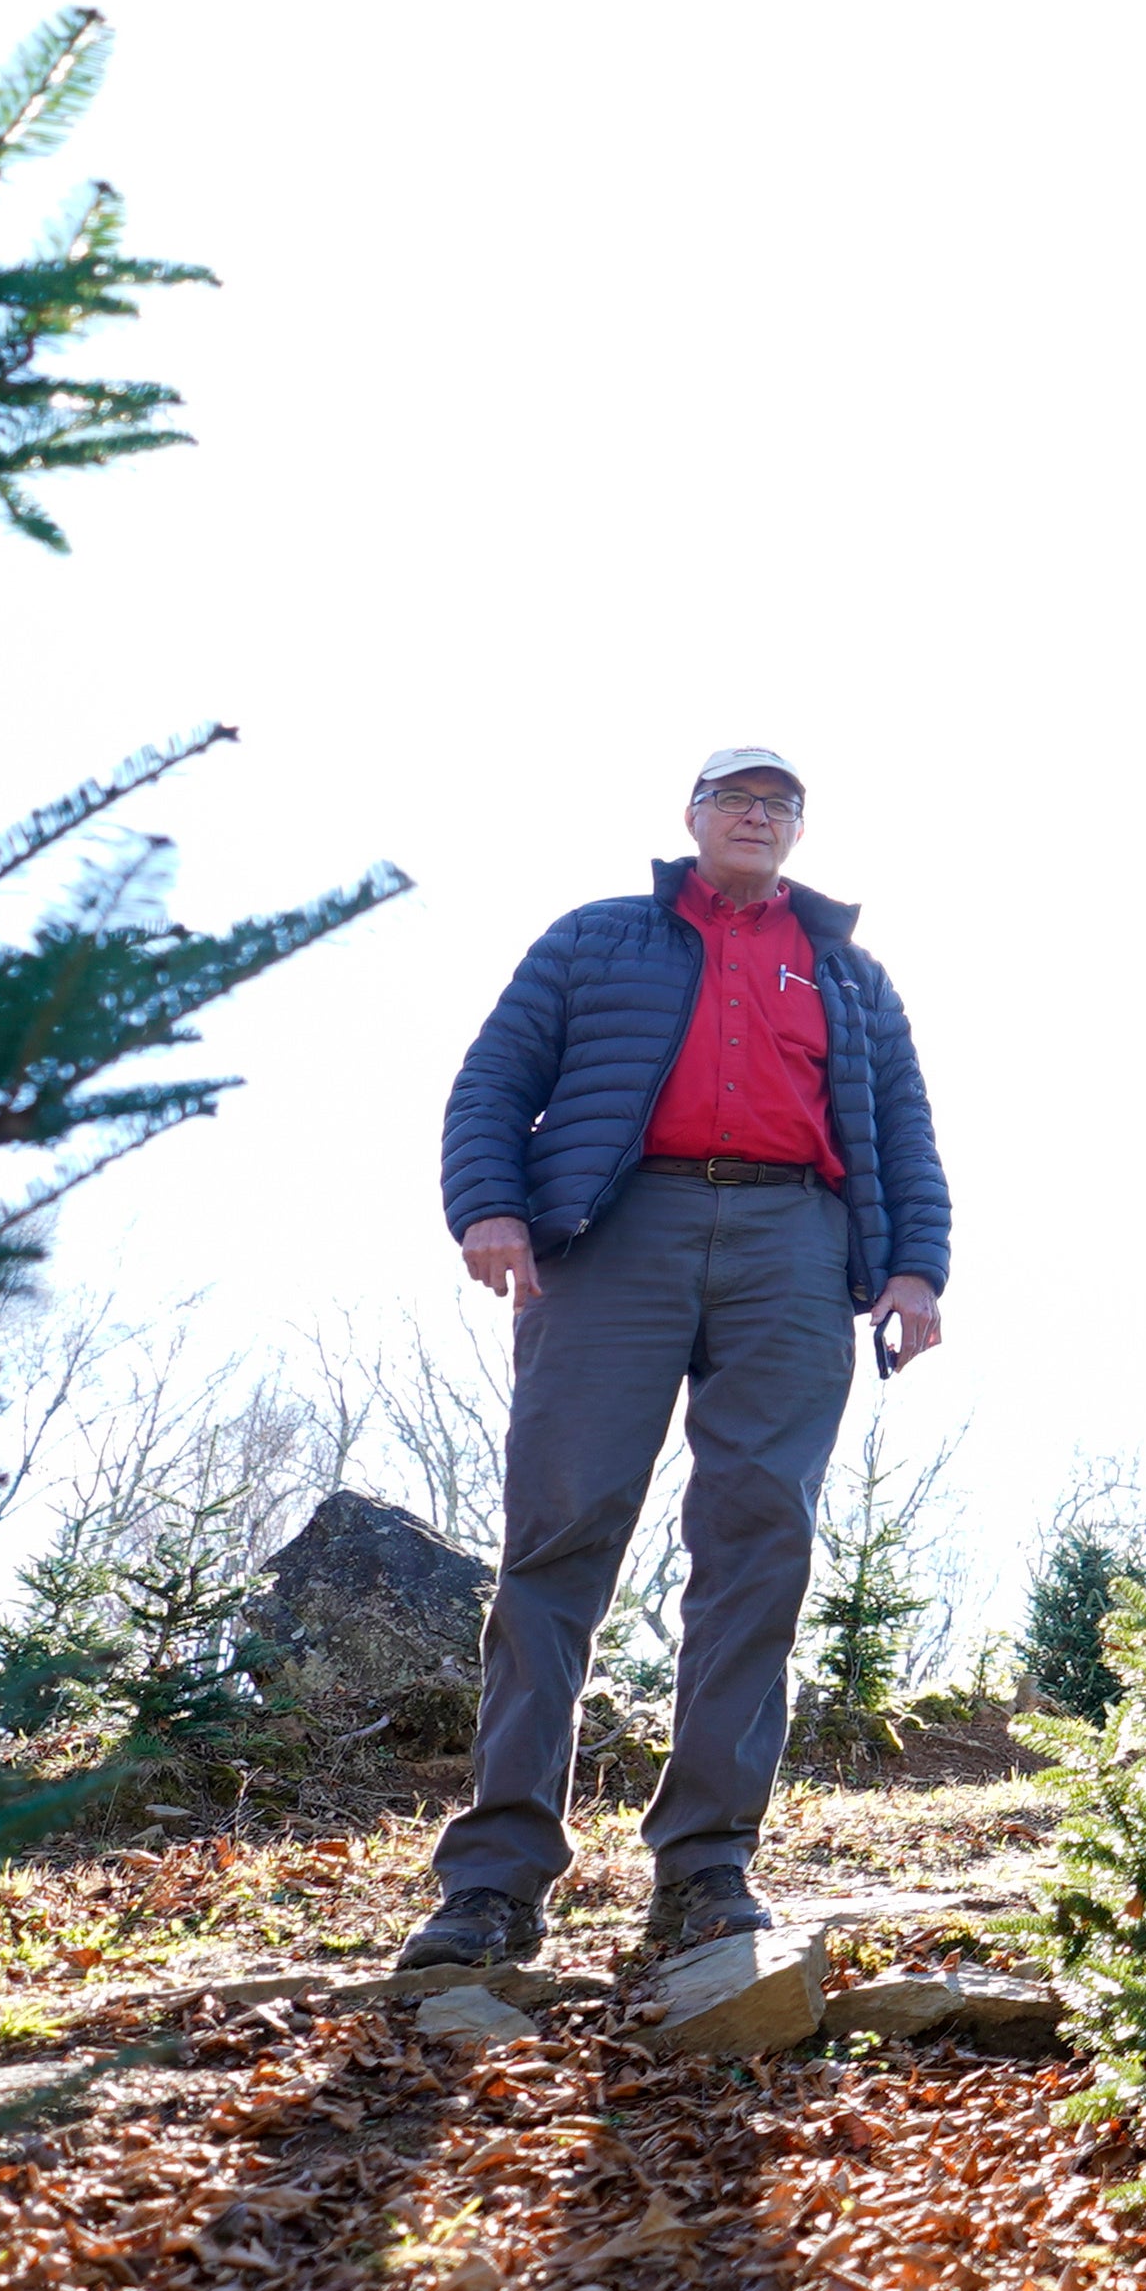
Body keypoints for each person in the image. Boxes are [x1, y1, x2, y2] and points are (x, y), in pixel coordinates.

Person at [400, 746, 950, 1972]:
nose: (757, 818)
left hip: (797, 1250)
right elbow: (493, 1082)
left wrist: (916, 1269)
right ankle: (492, 1881)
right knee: (559, 1535)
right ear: (691, 818)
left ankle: (707, 1866)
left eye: (779, 806)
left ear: (798, 834)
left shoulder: (852, 974)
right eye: (735, 801)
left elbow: (903, 1128)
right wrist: (487, 1205)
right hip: (614, 1237)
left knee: (761, 1541)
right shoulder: (597, 939)